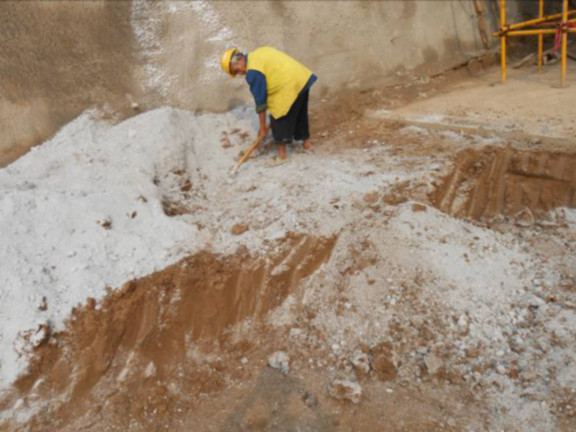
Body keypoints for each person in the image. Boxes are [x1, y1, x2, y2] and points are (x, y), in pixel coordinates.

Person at [220, 46, 317, 165]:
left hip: (287, 84)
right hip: (301, 77)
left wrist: (262, 127)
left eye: (236, 70)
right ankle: (307, 145)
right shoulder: (258, 53)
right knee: (299, 112)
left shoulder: (252, 72)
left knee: (277, 115)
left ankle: (282, 156)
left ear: (240, 59)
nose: (239, 74)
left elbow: (261, 101)